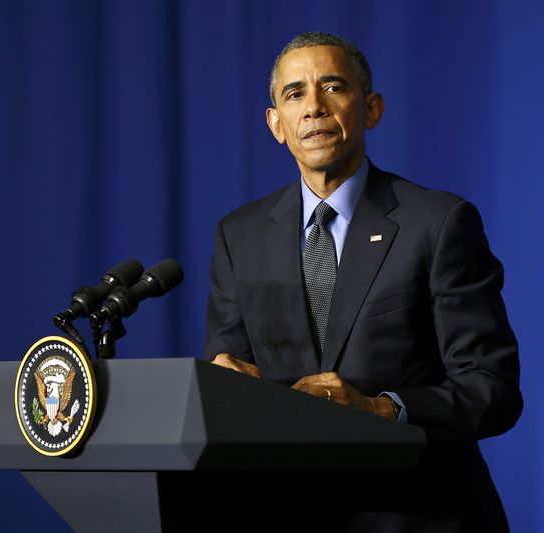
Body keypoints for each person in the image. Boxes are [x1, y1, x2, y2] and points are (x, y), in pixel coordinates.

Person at [205, 31, 522, 532]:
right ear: (276, 125)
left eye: (333, 87)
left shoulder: (438, 223)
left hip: (421, 516)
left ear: (371, 109)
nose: (314, 108)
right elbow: (232, 373)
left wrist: (382, 409)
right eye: (294, 94)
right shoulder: (239, 236)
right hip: (291, 515)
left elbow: (492, 389)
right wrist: (224, 388)